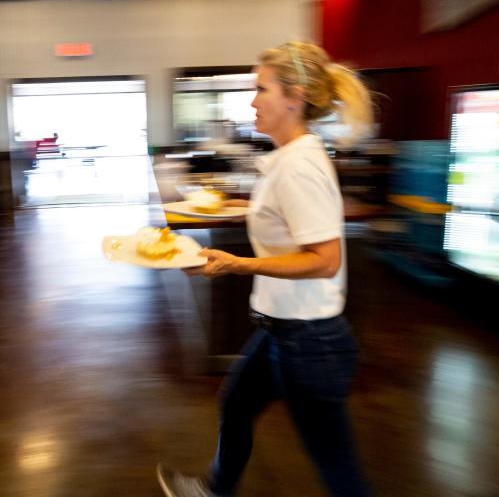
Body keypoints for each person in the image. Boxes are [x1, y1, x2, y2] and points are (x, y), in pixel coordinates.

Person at [158, 41, 373, 497]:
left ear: (293, 96)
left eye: (260, 89)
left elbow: (324, 259)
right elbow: (282, 219)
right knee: (235, 406)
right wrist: (233, 207)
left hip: (309, 341)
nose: (252, 101)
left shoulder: (299, 166)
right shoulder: (288, 159)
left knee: (338, 469)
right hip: (282, 331)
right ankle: (216, 490)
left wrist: (238, 263)